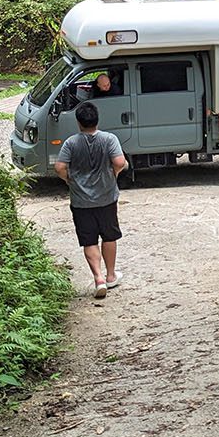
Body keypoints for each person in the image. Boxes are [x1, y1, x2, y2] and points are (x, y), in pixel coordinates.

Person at [55, 102, 128, 300]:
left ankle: (98, 278)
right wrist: (114, 173)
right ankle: (111, 275)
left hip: (81, 201)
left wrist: (69, 180)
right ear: (97, 120)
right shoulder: (109, 139)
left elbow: (60, 167)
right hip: (106, 197)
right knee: (109, 235)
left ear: (79, 122)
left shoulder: (71, 143)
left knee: (89, 240)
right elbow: (120, 162)